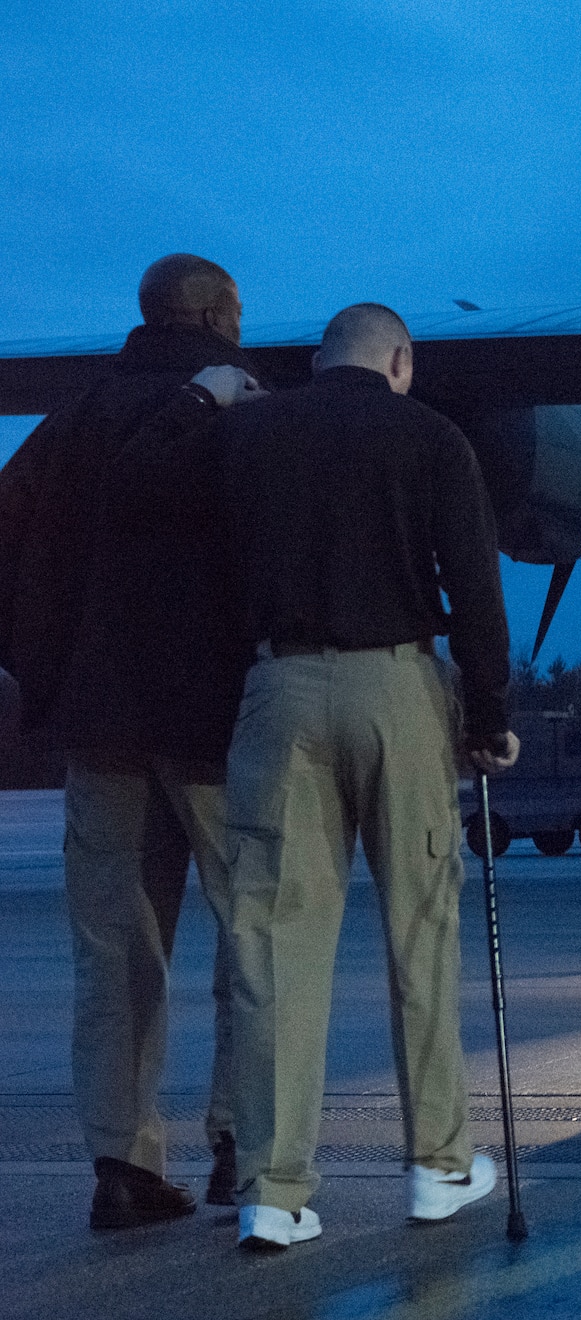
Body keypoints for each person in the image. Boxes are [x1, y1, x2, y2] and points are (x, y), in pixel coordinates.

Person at [121, 303, 517, 1250]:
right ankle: (438, 1168)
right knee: (422, 931)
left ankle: (273, 1189)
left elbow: (143, 489)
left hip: (278, 688)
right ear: (399, 362)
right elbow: (475, 583)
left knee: (274, 948)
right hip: (401, 689)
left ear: (317, 359)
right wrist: (490, 714)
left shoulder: (243, 433)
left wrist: (201, 398)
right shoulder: (432, 437)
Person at [0, 254, 259, 1229]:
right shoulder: (242, 409)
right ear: (207, 314)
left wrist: (42, 672)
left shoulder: (70, 420)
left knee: (111, 954)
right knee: (255, 935)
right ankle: (243, 1140)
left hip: (97, 729)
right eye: (237, 307)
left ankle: (121, 1162)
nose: (243, 322)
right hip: (216, 727)